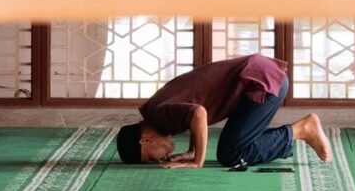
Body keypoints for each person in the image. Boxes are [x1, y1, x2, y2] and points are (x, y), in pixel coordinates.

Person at [115, 53, 332, 169]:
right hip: (259, 78)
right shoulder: (156, 112)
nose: (160, 159)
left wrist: (196, 162)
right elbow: (191, 113)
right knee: (232, 148)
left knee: (231, 154)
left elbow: (198, 113)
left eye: (152, 158)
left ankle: (301, 130)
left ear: (145, 141)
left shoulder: (160, 115)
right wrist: (192, 150)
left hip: (261, 84)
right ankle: (297, 132)